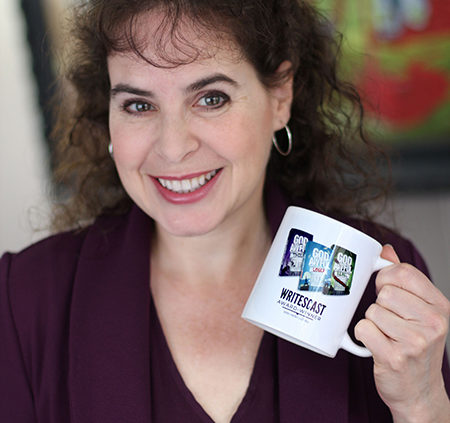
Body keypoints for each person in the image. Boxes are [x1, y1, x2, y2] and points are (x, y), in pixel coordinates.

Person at [1, 1, 449, 422]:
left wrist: (422, 403)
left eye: (210, 98)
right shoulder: (25, 298)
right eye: (138, 105)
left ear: (280, 98)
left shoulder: (374, 280)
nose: (173, 148)